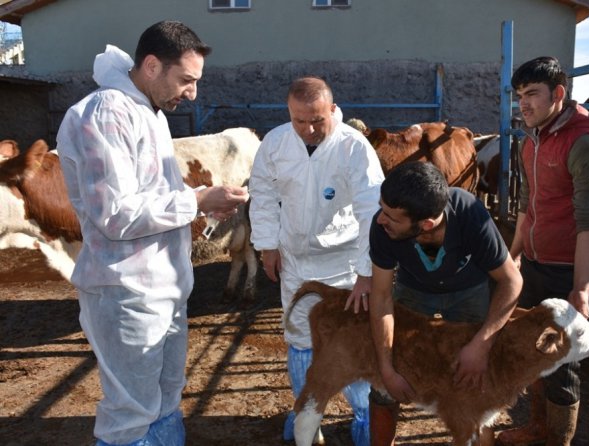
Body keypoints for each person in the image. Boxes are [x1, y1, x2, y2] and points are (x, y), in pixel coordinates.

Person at [57, 21, 249, 446]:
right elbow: (116, 214)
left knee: (162, 398)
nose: (193, 93)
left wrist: (203, 198)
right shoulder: (106, 113)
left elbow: (152, 193)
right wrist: (197, 201)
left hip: (162, 286)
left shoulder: (147, 112)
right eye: (186, 80)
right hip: (125, 291)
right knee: (130, 412)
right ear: (150, 65)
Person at [249, 76, 385, 445]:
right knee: (300, 339)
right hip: (296, 261)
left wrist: (366, 272)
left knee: (353, 342)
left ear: (333, 109)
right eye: (299, 120)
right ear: (288, 113)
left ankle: (363, 418)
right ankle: (306, 415)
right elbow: (261, 193)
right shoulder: (276, 143)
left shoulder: (353, 147)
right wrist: (267, 245)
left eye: (317, 120)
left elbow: (371, 212)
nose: (309, 129)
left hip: (343, 264)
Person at [368, 161, 523, 445]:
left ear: (426, 224)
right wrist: (387, 370)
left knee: (478, 379)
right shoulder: (383, 227)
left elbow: (512, 281)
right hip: (413, 290)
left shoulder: (471, 214)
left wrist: (481, 344)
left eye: (391, 216)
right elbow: (380, 297)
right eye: (382, 208)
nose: (380, 218)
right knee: (383, 388)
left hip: (468, 291)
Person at [497, 56, 589, 446]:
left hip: (568, 270)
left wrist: (581, 287)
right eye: (519, 96)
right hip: (534, 263)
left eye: (532, 94)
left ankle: (556, 439)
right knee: (534, 349)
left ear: (558, 94)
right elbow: (529, 204)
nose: (523, 104)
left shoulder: (583, 143)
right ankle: (537, 428)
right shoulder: (534, 138)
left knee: (562, 360)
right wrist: (512, 256)